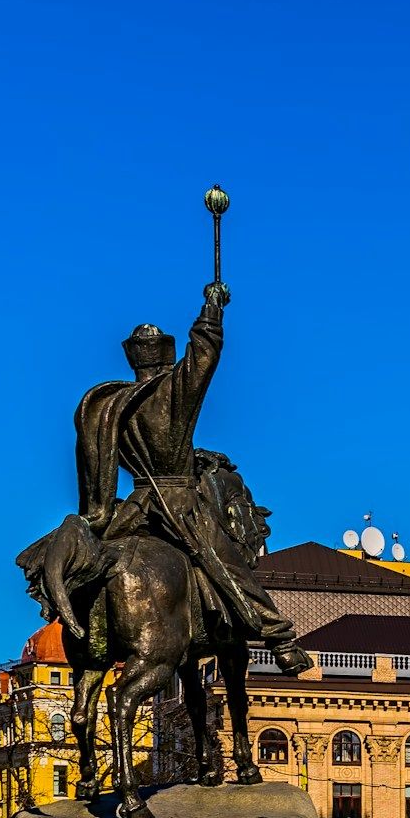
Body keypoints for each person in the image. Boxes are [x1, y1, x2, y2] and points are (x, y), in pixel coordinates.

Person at [68, 283, 312, 674]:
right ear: (166, 359)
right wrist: (212, 308)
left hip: (134, 508)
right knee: (232, 566)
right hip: (179, 505)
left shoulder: (111, 407)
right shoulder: (170, 392)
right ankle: (281, 639)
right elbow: (203, 355)